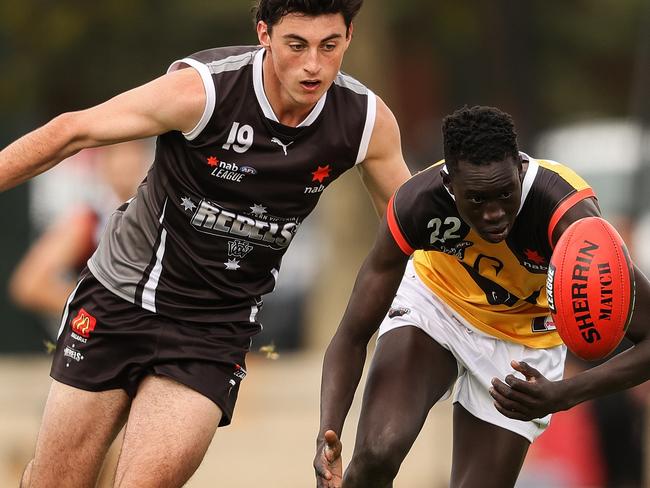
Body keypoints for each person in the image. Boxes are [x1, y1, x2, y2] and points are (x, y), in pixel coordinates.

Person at [0, 0, 411, 486]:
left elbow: (415, 225)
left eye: (330, 46)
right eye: (296, 45)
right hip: (119, 300)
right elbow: (73, 131)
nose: (313, 66)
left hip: (214, 328)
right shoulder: (205, 90)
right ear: (264, 33)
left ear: (350, 38)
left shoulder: (364, 121)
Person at [314, 105, 650, 488]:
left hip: (524, 342)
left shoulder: (569, 218)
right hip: (436, 305)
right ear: (449, 185)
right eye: (476, 200)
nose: (494, 214)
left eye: (505, 194)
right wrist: (328, 431)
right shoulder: (416, 204)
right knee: (377, 452)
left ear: (520, 170)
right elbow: (352, 334)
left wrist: (563, 393)